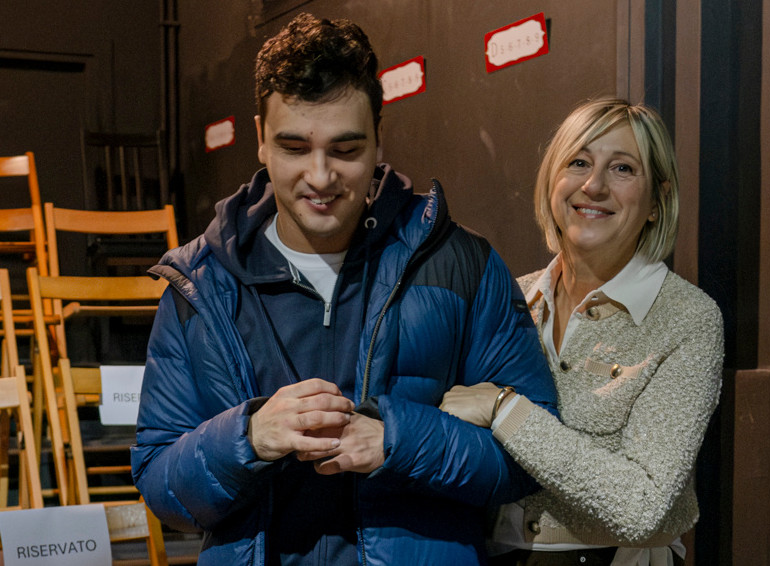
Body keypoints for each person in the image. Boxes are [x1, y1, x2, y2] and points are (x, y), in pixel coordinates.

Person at [131, 12, 558, 566]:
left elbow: (534, 454)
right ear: (260, 140)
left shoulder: (461, 264)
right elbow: (162, 484)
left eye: (345, 150)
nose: (320, 177)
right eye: (294, 148)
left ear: (380, 140)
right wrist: (249, 437)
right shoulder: (199, 285)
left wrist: (397, 442)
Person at [441, 98, 724, 566]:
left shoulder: (687, 318)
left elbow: (642, 508)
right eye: (578, 162)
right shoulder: (509, 297)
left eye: (622, 169)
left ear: (657, 201)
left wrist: (503, 409)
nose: (593, 186)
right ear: (553, 180)